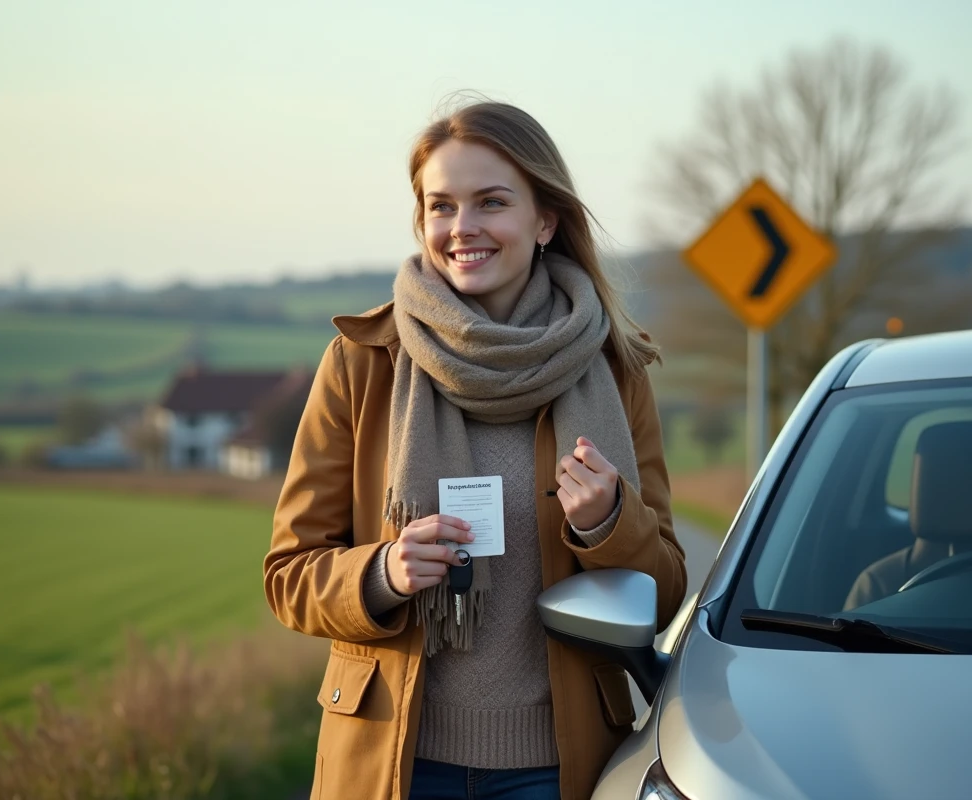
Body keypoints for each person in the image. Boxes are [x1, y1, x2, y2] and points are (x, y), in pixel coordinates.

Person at [263, 100, 686, 800]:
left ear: (544, 220)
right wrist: (383, 573)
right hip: (396, 760)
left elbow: (664, 590)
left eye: (491, 202)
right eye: (441, 206)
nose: (463, 229)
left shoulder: (615, 370)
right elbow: (288, 574)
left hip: (557, 765)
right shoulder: (361, 364)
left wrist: (609, 522)